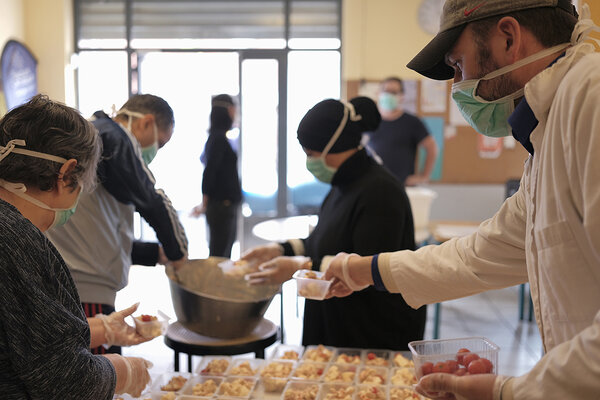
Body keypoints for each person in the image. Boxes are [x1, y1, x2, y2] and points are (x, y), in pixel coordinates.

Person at [325, 1, 600, 399]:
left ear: (509, 37)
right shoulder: (547, 133)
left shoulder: (588, 98)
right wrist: (365, 270)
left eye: (458, 65)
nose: (458, 86)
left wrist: (509, 391)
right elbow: (478, 255)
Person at [244, 96, 426, 350]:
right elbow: (324, 241)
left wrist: (301, 266)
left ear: (332, 147)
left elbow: (368, 268)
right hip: (335, 321)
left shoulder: (380, 192)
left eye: (310, 153)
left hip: (370, 334)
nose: (309, 161)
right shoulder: (343, 184)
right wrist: (282, 250)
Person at [0, 94, 151, 398]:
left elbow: (25, 339)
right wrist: (123, 371)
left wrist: (101, 328)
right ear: (66, 173)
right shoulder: (16, 240)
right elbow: (66, 381)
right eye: (82, 184)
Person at [46, 94, 189, 354]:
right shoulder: (111, 136)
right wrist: (180, 253)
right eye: (160, 144)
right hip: (85, 292)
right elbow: (152, 199)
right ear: (145, 123)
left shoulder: (97, 143)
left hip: (84, 287)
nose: (154, 152)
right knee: (96, 382)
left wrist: (155, 253)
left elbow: (103, 228)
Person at [191, 94, 242, 258]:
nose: (235, 113)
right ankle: (216, 284)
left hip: (224, 206)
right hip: (221, 207)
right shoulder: (218, 139)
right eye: (233, 109)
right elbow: (210, 172)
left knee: (223, 253)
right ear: (227, 111)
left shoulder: (219, 138)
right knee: (219, 255)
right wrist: (204, 203)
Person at [365, 77, 438, 186]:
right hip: (373, 183)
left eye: (394, 92)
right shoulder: (369, 121)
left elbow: (432, 148)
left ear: (402, 96)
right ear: (379, 93)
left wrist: (424, 177)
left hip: (404, 186)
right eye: (386, 91)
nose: (389, 95)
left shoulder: (412, 122)